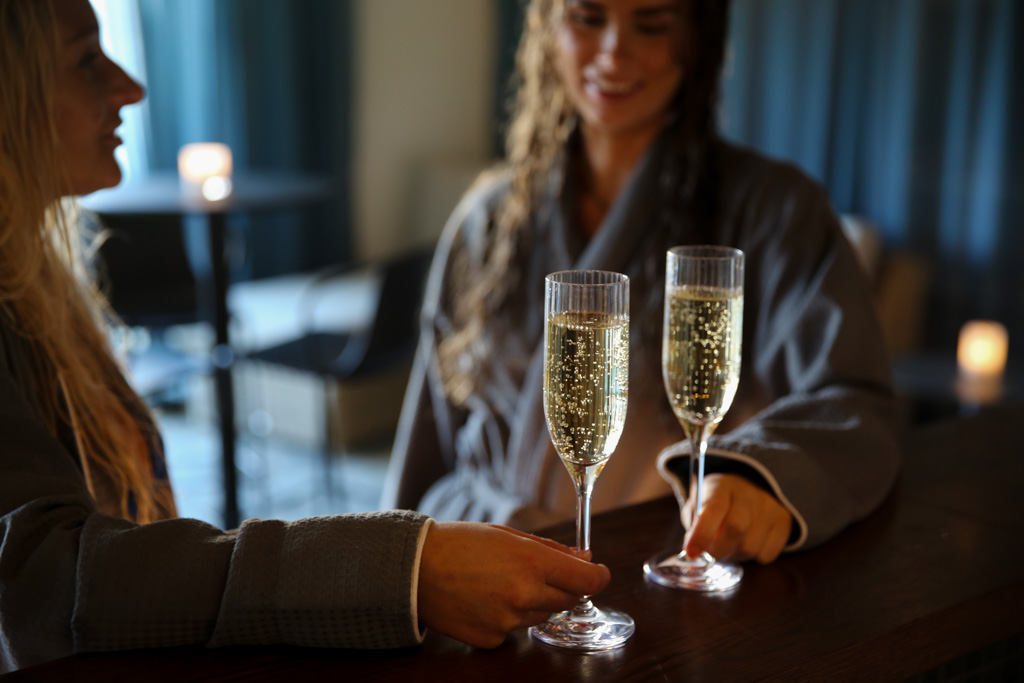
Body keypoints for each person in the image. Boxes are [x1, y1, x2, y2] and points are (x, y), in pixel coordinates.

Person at [0, 0, 611, 672]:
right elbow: (42, 579)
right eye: (87, 59)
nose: (132, 87)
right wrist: (401, 568)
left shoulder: (39, 283)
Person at [383, 0, 901, 566]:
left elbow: (856, 406)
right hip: (480, 565)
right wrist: (397, 578)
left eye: (652, 25)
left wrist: (755, 477)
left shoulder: (774, 211)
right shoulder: (488, 220)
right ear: (548, 30)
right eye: (587, 18)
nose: (613, 53)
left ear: (696, 39)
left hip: (649, 569)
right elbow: (425, 451)